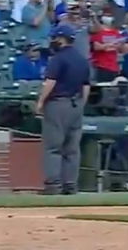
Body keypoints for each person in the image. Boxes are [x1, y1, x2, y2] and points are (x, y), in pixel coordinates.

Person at [36, 25, 90, 195]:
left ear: (61, 38)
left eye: (55, 38)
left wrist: (40, 102)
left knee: (53, 147)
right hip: (76, 104)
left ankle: (53, 185)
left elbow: (50, 82)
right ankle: (70, 185)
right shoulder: (82, 59)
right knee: (72, 148)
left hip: (58, 104)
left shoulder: (58, 59)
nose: (53, 41)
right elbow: (86, 86)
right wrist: (81, 104)